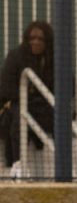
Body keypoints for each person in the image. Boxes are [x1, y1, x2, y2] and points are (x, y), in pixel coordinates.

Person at [1, 21, 55, 176]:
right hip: (17, 107)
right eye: (32, 38)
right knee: (18, 118)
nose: (35, 42)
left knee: (62, 117)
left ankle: (64, 162)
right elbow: (6, 89)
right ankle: (18, 164)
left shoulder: (54, 58)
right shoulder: (16, 56)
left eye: (40, 39)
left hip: (43, 109)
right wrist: (28, 98)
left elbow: (65, 88)